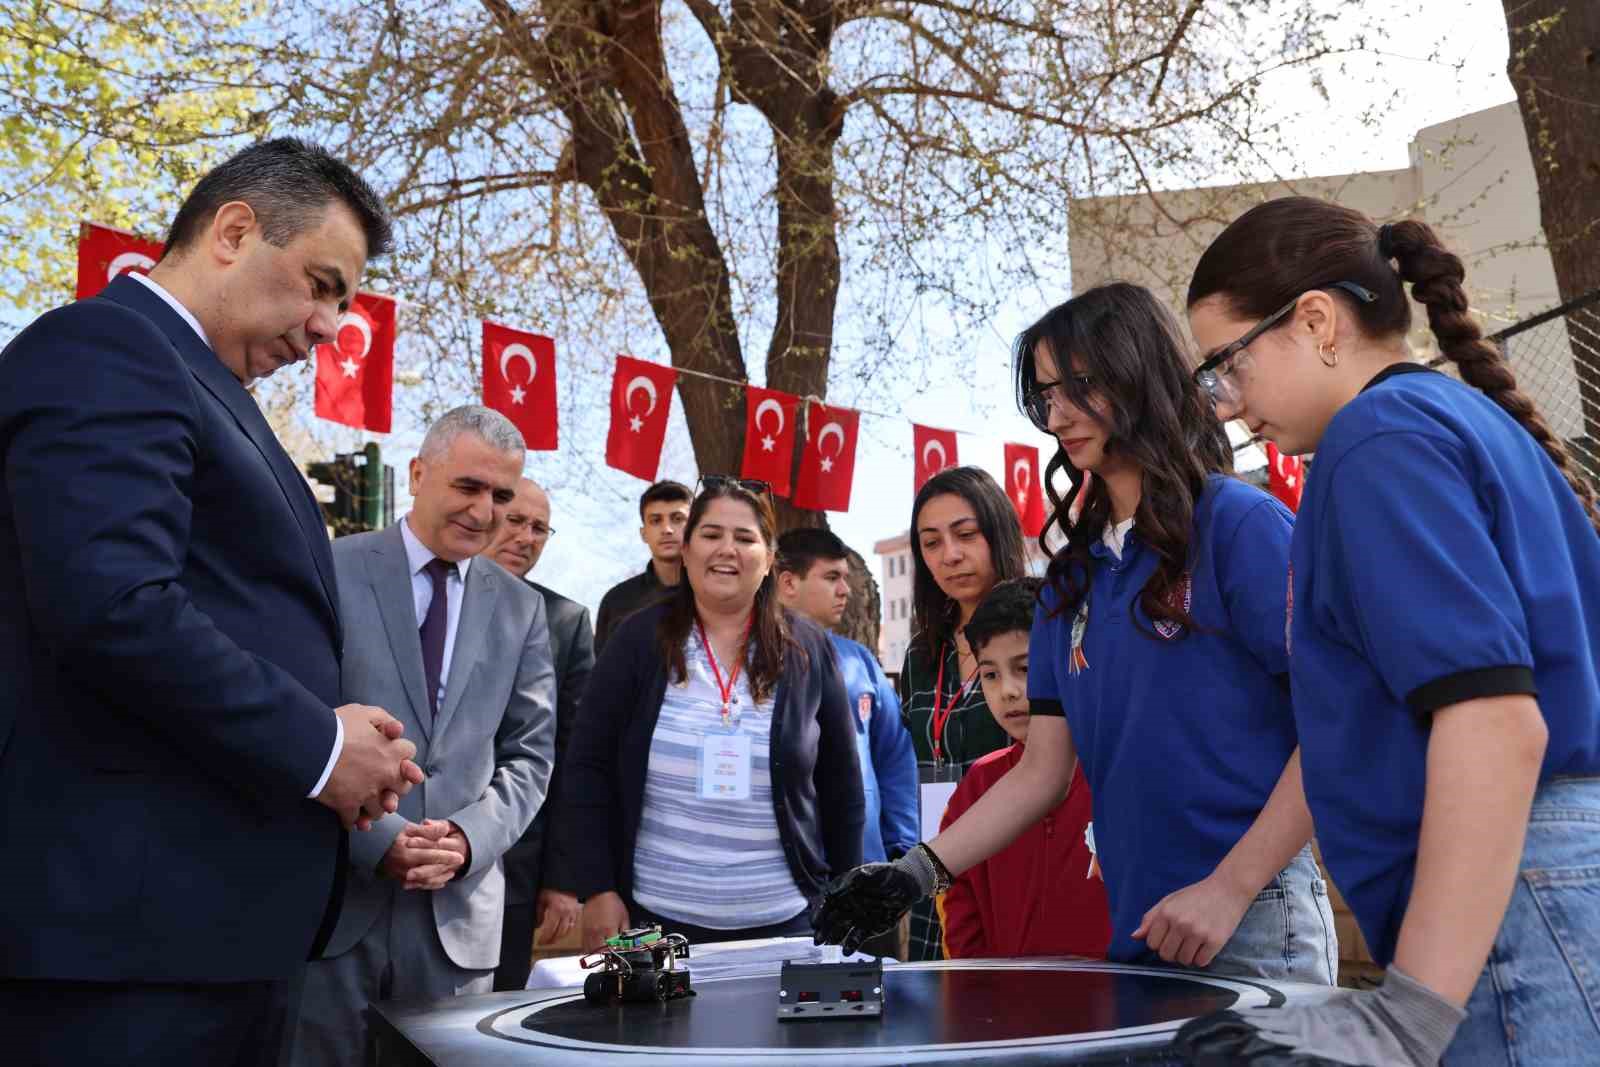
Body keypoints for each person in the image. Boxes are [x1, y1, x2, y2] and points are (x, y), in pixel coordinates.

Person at [0, 138, 422, 1066]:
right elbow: (112, 603)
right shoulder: (110, 347)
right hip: (121, 951)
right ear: (234, 229)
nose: (326, 328)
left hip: (208, 936)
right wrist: (320, 746)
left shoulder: (204, 388)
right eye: (320, 284)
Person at [1171, 199, 1600, 1066]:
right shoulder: (1457, 420)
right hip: (1535, 880)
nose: (1224, 408)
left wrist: (1408, 1012)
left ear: (1317, 320)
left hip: (1512, 888)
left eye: (1225, 366)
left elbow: (1493, 721)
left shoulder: (1375, 439)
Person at [813, 283, 1337, 989]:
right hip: (1136, 929)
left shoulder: (1239, 525)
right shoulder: (1070, 580)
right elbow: (1043, 770)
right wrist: (914, 871)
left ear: (1138, 375)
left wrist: (1232, 885)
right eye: (1045, 396)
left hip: (1253, 918)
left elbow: (1335, 722)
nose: (1056, 415)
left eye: (1078, 387)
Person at [291, 407, 556, 1067]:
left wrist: (467, 839)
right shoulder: (329, 567)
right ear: (417, 473)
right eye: (468, 486)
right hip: (334, 907)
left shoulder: (522, 607)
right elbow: (295, 722)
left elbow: (531, 753)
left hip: (457, 923)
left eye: (502, 495)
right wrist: (379, 839)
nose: (485, 510)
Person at [558, 477, 864, 950]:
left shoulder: (808, 648)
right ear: (686, 549)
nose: (727, 550)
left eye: (745, 539)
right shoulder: (637, 640)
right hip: (652, 923)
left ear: (768, 560)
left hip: (785, 924)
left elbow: (842, 783)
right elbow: (587, 767)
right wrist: (598, 887)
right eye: (711, 534)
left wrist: (845, 895)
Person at [939, 577, 1110, 960]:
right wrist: (979, 996)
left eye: (1026, 668)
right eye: (991, 674)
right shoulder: (978, 785)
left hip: (1119, 1005)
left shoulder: (1118, 772)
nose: (1009, 691)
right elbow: (959, 907)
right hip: (1002, 1009)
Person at [897, 465, 1028, 960]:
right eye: (931, 543)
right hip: (938, 861)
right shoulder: (921, 653)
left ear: (998, 533)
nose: (950, 555)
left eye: (966, 534)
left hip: (1016, 857)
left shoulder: (1046, 625)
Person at [483, 477, 596, 990]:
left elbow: (575, 759)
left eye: (539, 528)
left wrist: (563, 879)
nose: (526, 537)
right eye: (515, 521)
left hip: (514, 872)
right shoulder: (414, 600)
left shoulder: (566, 622)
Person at [775, 528, 918, 864]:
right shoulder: (753, 664)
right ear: (788, 584)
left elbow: (895, 757)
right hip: (779, 874)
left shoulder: (861, 662)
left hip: (862, 865)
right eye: (831, 577)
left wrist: (902, 844)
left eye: (845, 578)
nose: (845, 590)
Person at [593, 480, 692, 652]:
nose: (667, 529)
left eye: (677, 519)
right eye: (655, 520)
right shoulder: (617, 602)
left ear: (693, 527)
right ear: (643, 533)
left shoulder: (713, 594)